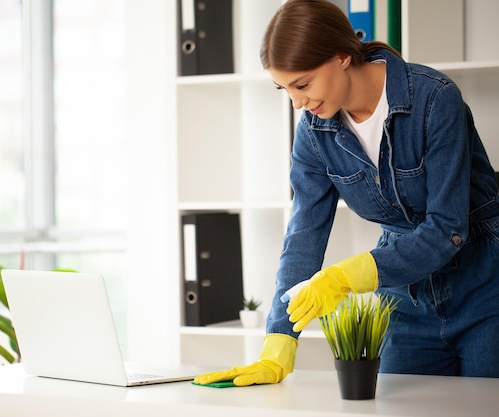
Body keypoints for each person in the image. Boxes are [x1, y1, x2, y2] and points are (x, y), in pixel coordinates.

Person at [194, 0, 499, 386]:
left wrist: (345, 276)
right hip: (407, 298)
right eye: (284, 89)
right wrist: (278, 342)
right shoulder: (313, 132)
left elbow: (447, 229)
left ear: (341, 56)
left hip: (485, 290)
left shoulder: (434, 99)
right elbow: (304, 233)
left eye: (302, 84)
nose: (297, 102)